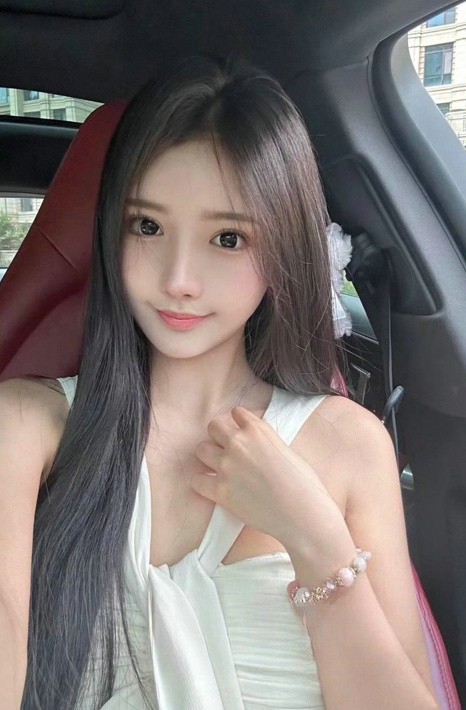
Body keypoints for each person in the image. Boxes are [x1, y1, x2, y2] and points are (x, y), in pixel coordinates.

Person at [0, 58, 440, 709]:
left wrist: (314, 539)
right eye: (147, 226)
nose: (179, 278)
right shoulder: (26, 426)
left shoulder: (350, 445)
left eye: (228, 238)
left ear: (282, 249)